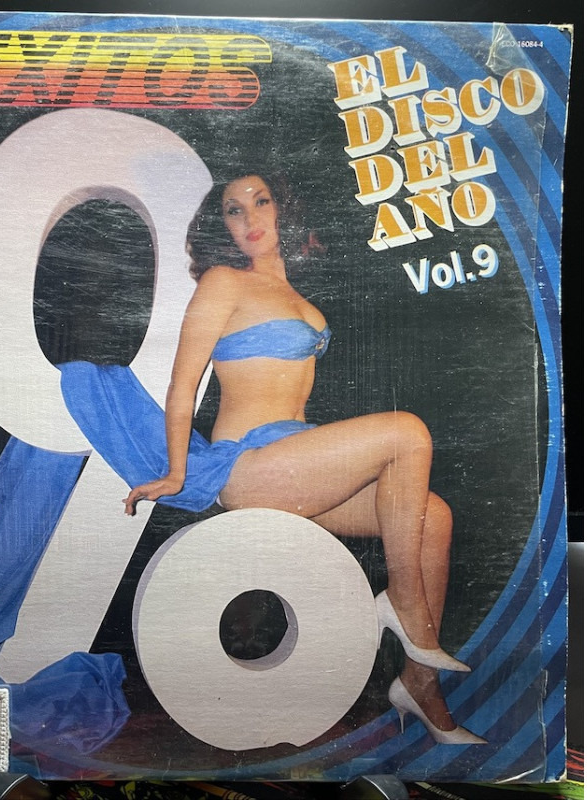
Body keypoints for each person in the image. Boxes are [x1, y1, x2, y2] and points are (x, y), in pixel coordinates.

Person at [121, 171, 486, 747]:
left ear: (281, 209)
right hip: (250, 465)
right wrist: (176, 471)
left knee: (433, 517)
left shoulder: (300, 299)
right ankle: (404, 605)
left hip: (296, 461)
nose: (250, 218)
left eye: (260, 202)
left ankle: (419, 686)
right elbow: (182, 385)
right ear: (222, 227)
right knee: (407, 433)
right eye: (234, 210)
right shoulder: (224, 282)